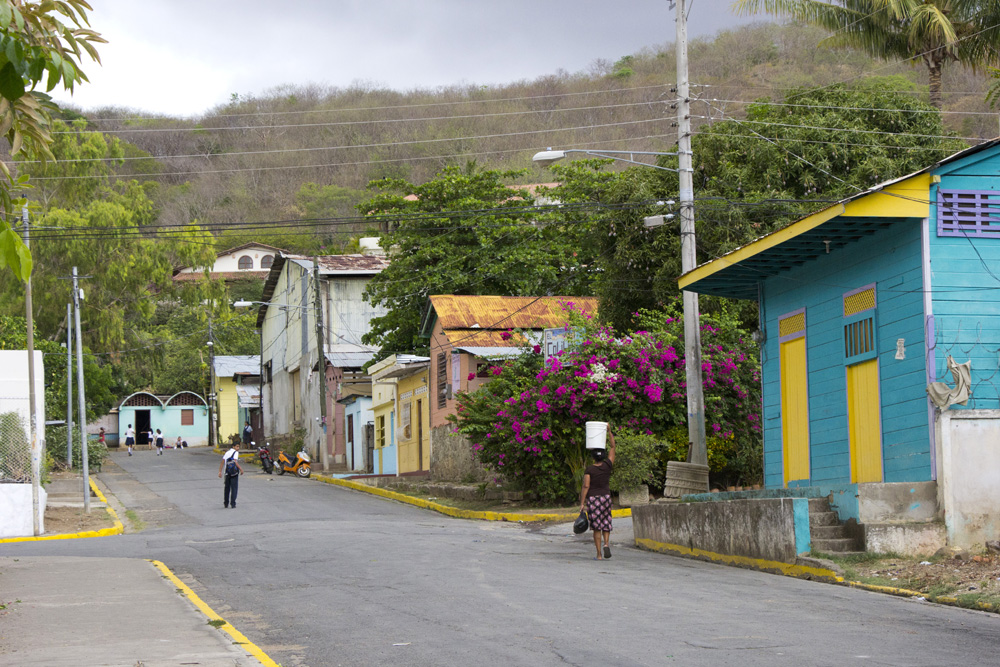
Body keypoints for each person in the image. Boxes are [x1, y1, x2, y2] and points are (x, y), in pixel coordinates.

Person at [579, 426, 617, 560]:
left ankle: (599, 554)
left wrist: (582, 503)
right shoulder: (608, 465)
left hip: (593, 499)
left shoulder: (590, 469)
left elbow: (586, 486)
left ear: (593, 457)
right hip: (606, 497)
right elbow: (613, 448)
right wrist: (609, 432)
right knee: (606, 523)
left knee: (596, 527)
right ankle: (606, 544)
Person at [218, 443, 243, 508]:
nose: (238, 448)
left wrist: (220, 471)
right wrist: (241, 469)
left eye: (238, 446)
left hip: (226, 473)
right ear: (233, 446)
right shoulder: (236, 453)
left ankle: (226, 503)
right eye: (237, 446)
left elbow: (222, 462)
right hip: (234, 473)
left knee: (227, 488)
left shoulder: (227, 453)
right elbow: (235, 462)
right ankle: (233, 503)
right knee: (234, 488)